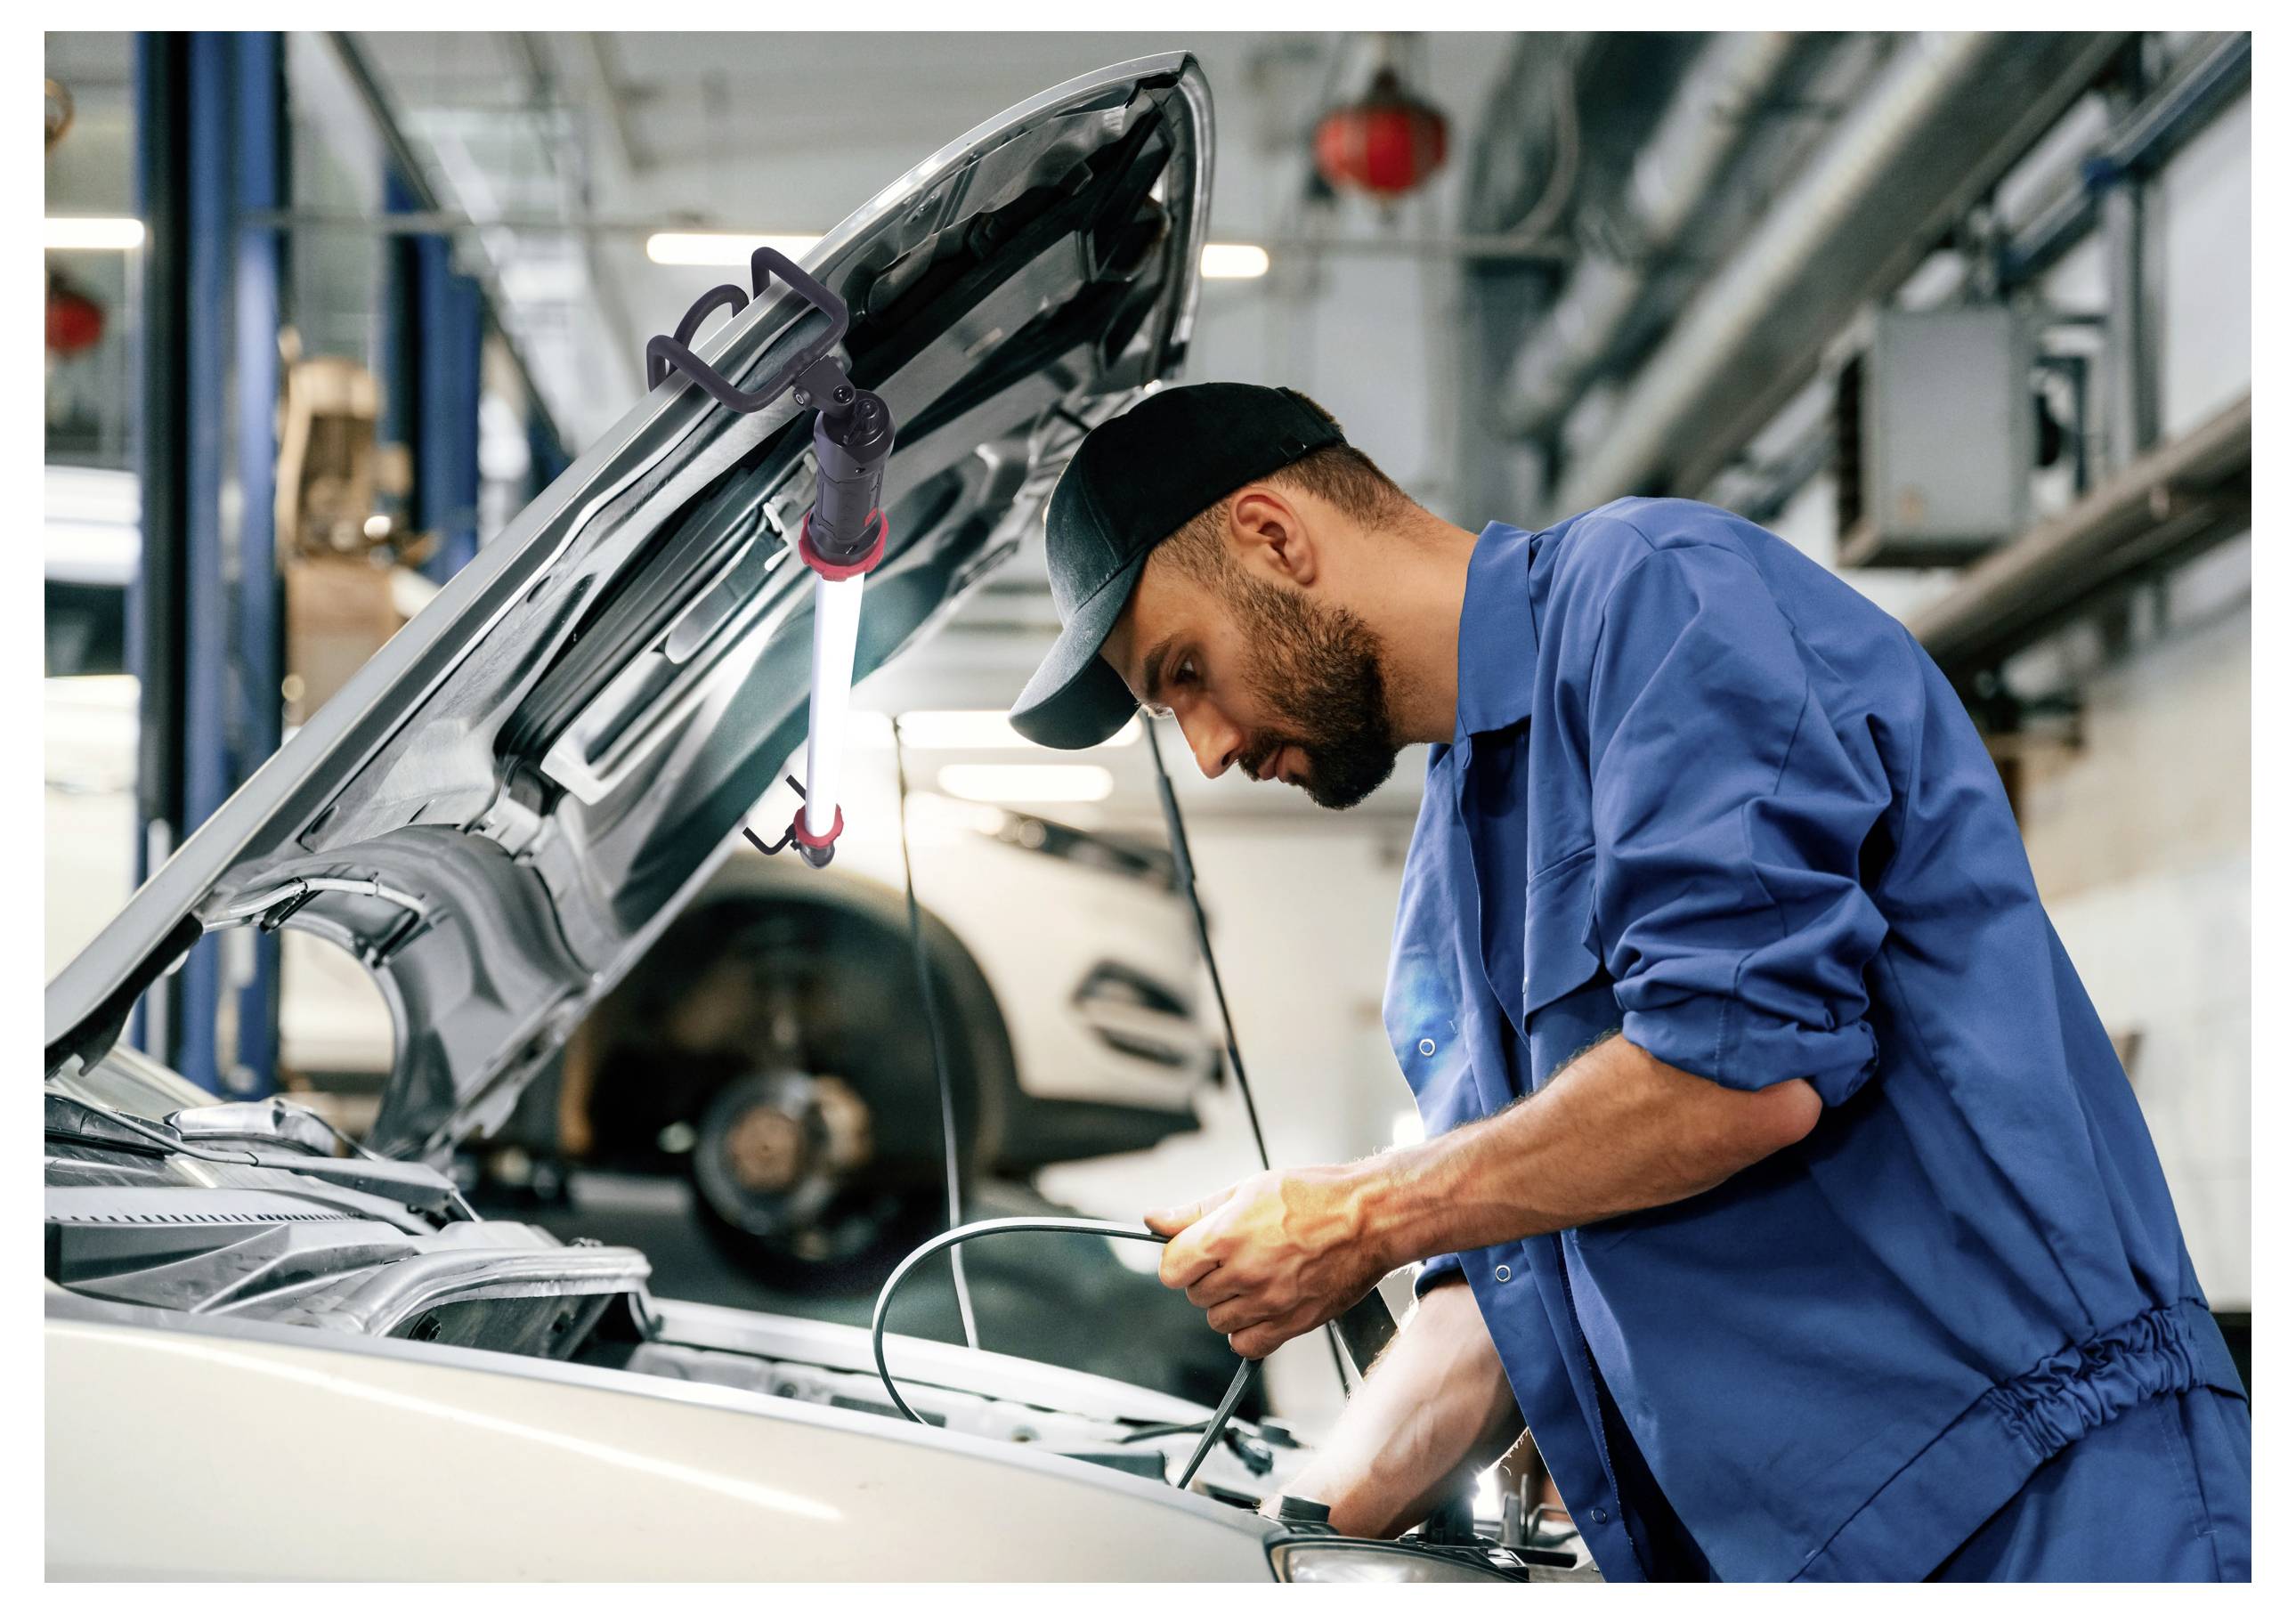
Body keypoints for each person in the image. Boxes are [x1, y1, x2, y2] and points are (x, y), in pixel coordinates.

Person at [1005, 382, 2250, 1582]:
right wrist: (1248, 1544)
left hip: (2051, 1507)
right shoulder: (1444, 888)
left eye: (1184, 672)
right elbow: (1489, 1299)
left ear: (1273, 536)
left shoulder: (1653, 598)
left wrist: (1361, 1213)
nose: (1209, 750)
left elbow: (1736, 1073)